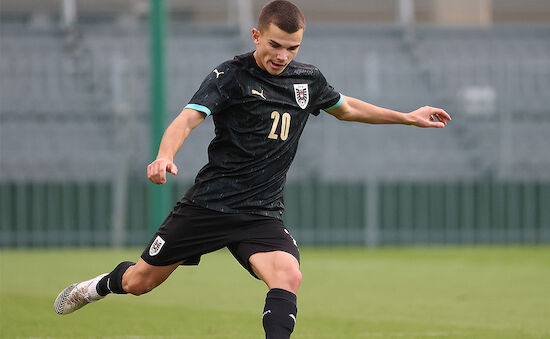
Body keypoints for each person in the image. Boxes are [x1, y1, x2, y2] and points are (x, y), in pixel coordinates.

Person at [53, 1, 451, 338]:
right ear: (257, 36)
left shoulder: (306, 79)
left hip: (260, 212)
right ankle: (96, 287)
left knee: (287, 276)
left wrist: (407, 117)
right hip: (209, 206)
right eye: (275, 45)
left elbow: (346, 108)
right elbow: (187, 119)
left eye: (292, 48)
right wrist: (164, 154)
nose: (282, 56)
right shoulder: (231, 76)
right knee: (140, 282)